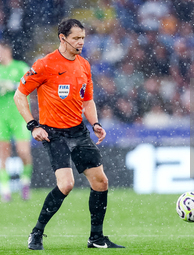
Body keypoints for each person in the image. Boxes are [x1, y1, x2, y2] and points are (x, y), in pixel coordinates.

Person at [13, 18, 125, 250]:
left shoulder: (84, 65)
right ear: (62, 38)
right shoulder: (45, 64)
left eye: (83, 38)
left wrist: (95, 123)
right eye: (76, 38)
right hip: (54, 133)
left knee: (101, 182)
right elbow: (19, 95)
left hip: (79, 131)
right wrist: (33, 125)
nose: (81, 42)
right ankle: (36, 232)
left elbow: (88, 99)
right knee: (66, 185)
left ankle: (96, 238)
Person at [0, 40, 32, 202]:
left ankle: (25, 183)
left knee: (23, 152)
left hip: (19, 115)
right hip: (1, 117)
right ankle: (5, 190)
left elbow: (32, 84)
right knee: (3, 154)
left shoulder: (20, 67)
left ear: (8, 51)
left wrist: (13, 86)